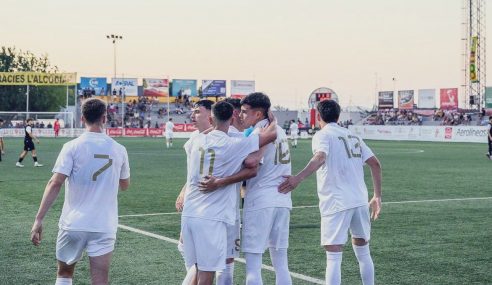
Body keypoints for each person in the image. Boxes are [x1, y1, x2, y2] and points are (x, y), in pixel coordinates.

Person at [278, 100, 382, 285]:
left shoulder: (322, 135)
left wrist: (297, 178)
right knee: (364, 253)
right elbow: (375, 163)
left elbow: (320, 157)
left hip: (336, 201)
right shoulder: (353, 136)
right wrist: (377, 196)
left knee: (333, 256)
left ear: (318, 117)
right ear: (338, 115)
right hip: (359, 200)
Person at [30, 98, 131, 285]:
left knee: (64, 274)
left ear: (82, 118)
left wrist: (38, 219)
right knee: (100, 280)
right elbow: (124, 185)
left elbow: (55, 183)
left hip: (73, 223)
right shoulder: (119, 149)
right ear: (104, 117)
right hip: (103, 225)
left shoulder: (72, 146)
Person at [181, 101, 277, 285]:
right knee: (207, 275)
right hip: (212, 217)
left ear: (210, 119)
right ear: (233, 117)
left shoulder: (196, 140)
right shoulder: (234, 144)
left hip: (190, 213)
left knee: (197, 268)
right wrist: (272, 119)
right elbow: (271, 135)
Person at [231, 92, 293, 285]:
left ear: (258, 114)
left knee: (253, 264)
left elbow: (252, 163)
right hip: (282, 199)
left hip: (261, 200)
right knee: (281, 263)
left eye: (244, 112)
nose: (241, 115)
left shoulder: (260, 133)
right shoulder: (279, 131)